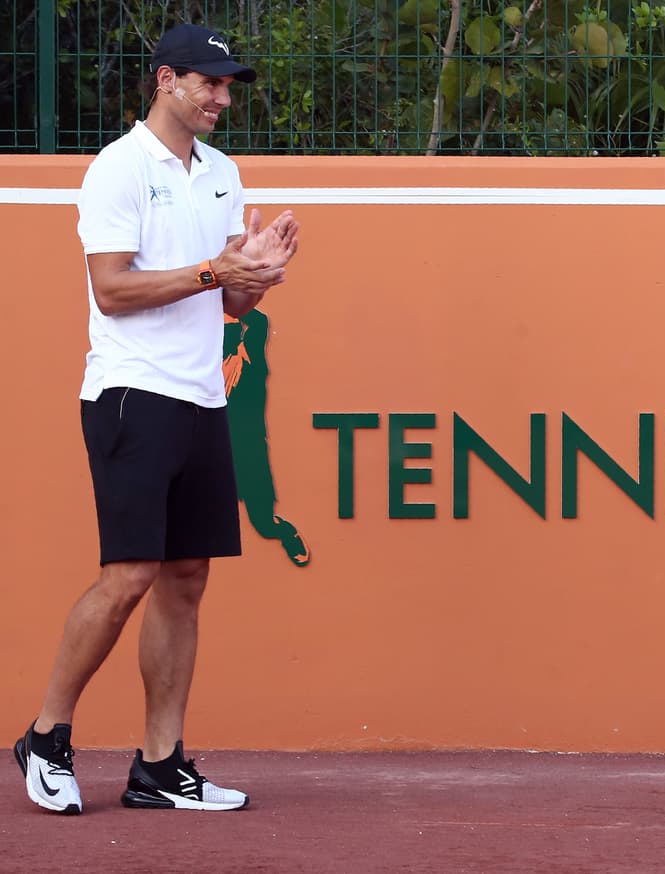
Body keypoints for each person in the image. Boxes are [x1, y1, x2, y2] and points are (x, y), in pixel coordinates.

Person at [12, 22, 299, 814]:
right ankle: (45, 735)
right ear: (167, 80)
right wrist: (216, 267)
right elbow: (113, 289)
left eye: (229, 85)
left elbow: (230, 299)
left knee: (186, 578)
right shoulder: (117, 168)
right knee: (130, 573)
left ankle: (160, 764)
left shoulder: (222, 172)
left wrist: (260, 270)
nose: (222, 97)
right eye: (209, 83)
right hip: (132, 394)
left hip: (204, 394)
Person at [223, 308, 310, 566]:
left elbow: (257, 319)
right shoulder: (207, 368)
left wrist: (227, 297)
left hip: (247, 448)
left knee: (263, 522)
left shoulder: (252, 362)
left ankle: (285, 532)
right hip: (213, 450)